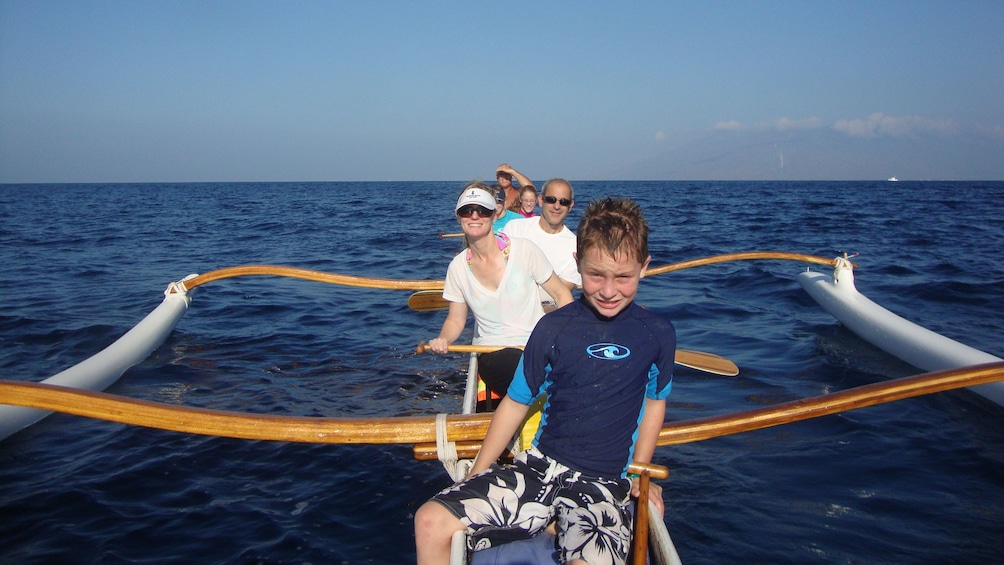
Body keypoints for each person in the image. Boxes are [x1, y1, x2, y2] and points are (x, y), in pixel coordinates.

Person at [415, 197, 676, 565]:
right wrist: (476, 472)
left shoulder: (657, 334)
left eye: (624, 277)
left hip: (601, 484)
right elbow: (516, 401)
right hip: (539, 468)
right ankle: (549, 520)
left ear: (644, 268)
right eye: (595, 274)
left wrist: (640, 471)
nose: (608, 290)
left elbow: (654, 402)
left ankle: (555, 522)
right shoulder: (553, 327)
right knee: (429, 520)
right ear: (576, 263)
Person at [429, 182, 573, 396]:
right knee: (522, 371)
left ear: (494, 215)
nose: (475, 216)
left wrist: (567, 338)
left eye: (483, 211)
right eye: (467, 211)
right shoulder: (457, 268)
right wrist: (444, 339)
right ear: (459, 217)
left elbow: (561, 294)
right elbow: (456, 320)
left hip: (536, 346)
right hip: (492, 352)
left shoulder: (525, 250)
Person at [501, 178, 580, 305]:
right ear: (540, 200)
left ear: (570, 206)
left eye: (564, 202)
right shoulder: (514, 228)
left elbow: (560, 293)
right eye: (551, 200)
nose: (557, 206)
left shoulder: (576, 247)